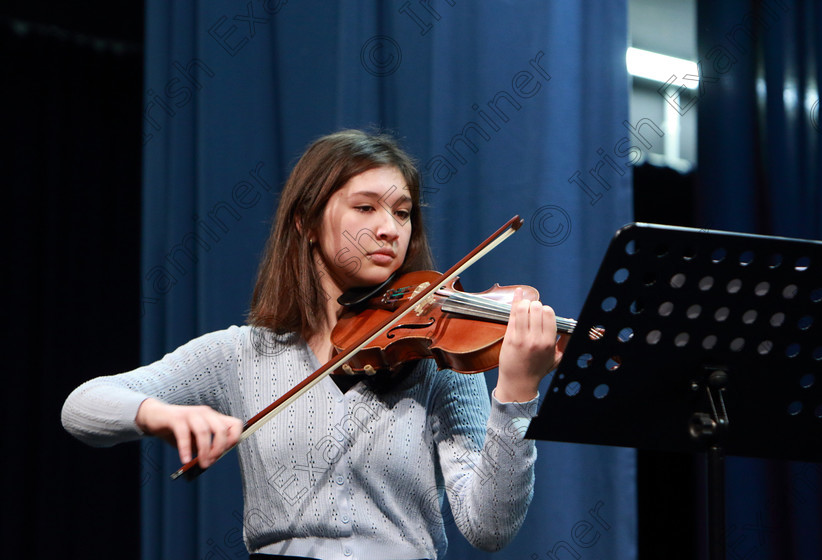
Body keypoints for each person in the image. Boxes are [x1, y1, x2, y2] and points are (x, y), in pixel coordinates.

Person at [62, 129, 565, 560]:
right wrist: (163, 415)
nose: (390, 229)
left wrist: (517, 392)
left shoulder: (436, 358)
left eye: (403, 212)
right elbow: (82, 406)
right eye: (365, 207)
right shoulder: (242, 355)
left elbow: (489, 528)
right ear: (305, 223)